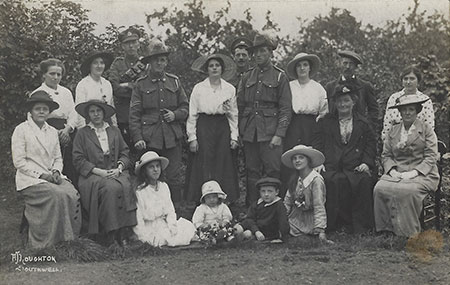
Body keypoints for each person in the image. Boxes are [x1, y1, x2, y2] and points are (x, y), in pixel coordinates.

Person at [11, 90, 81, 248]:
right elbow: (19, 162)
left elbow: (58, 158)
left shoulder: (51, 132)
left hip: (52, 176)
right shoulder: (21, 130)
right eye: (38, 108)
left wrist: (56, 171)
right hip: (30, 179)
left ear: (49, 112)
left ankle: (68, 239)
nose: (42, 112)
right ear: (31, 111)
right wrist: (41, 175)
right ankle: (44, 242)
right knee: (56, 195)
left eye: (45, 109)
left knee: (71, 193)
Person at [129, 40, 188, 203]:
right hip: (150, 138)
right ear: (149, 62)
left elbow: (185, 107)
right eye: (155, 60)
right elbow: (134, 114)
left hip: (171, 136)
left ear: (166, 62)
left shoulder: (174, 81)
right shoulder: (140, 84)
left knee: (174, 176)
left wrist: (175, 115)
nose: (159, 63)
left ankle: (175, 215)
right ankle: (151, 213)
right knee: (150, 177)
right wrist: (138, 138)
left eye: (162, 59)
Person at [313, 84, 376, 234]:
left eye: (346, 101)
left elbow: (370, 145)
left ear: (353, 102)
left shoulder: (363, 123)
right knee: (330, 181)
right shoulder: (326, 122)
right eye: (339, 101)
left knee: (363, 181)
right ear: (334, 103)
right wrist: (319, 161)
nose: (343, 105)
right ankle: (332, 225)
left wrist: (366, 163)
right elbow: (317, 143)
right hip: (331, 165)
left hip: (355, 166)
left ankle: (360, 227)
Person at [237, 34, 292, 206]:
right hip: (250, 132)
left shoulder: (279, 76)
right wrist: (240, 131)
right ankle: (253, 209)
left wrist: (279, 134)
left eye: (262, 51)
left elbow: (285, 109)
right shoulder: (247, 77)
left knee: (273, 171)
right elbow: (239, 106)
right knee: (251, 170)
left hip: (270, 131)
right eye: (255, 52)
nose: (258, 55)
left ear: (270, 53)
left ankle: (273, 209)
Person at [374, 94, 439, 237]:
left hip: (423, 173)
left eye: (411, 109)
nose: (408, 112)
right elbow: (386, 155)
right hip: (398, 171)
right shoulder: (394, 130)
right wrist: (392, 171)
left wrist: (414, 173)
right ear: (400, 112)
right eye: (404, 110)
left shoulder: (426, 129)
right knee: (380, 188)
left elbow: (431, 156)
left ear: (417, 111)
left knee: (408, 190)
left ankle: (407, 232)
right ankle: (385, 229)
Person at [72, 100, 136, 246]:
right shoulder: (82, 133)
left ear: (104, 113)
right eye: (92, 112)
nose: (95, 114)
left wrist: (119, 168)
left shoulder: (114, 130)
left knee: (127, 185)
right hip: (92, 175)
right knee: (110, 188)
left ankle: (124, 231)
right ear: (88, 114)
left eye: (98, 111)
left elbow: (125, 153)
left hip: (115, 170)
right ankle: (111, 233)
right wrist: (99, 172)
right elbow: (78, 159)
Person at [186, 54, 239, 204]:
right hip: (204, 126)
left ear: (222, 69)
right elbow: (192, 114)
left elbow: (233, 115)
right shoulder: (199, 88)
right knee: (204, 162)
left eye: (217, 65)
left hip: (222, 127)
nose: (214, 68)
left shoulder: (229, 89)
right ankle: (202, 201)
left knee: (223, 162)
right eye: (211, 65)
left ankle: (224, 202)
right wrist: (192, 138)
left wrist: (234, 137)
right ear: (207, 69)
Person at [281, 52, 328, 196]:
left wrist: (316, 127)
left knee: (308, 159)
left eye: (305, 65)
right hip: (292, 125)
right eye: (299, 66)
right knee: (292, 160)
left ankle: (310, 198)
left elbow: (324, 111)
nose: (302, 68)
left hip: (311, 126)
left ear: (309, 68)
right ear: (295, 69)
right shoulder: (289, 86)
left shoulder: (318, 88)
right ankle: (290, 200)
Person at [133, 151, 196, 247]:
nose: (155, 170)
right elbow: (138, 218)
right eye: (151, 167)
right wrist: (143, 237)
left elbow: (170, 210)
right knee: (158, 240)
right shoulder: (140, 191)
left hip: (163, 224)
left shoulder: (163, 186)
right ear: (144, 171)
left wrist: (172, 227)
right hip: (149, 228)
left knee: (188, 227)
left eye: (157, 166)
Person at [32, 58, 79, 184]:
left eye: (59, 74)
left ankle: (72, 192)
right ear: (44, 75)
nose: (56, 77)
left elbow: (73, 114)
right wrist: (55, 133)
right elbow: (34, 119)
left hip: (66, 131)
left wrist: (67, 130)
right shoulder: (37, 93)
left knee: (70, 161)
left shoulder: (66, 92)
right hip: (46, 131)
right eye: (52, 73)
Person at [282, 145, 332, 243]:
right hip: (295, 218)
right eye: (295, 158)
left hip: (311, 219)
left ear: (308, 160)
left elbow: (319, 205)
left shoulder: (316, 180)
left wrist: (320, 229)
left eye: (301, 158)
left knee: (310, 238)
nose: (297, 161)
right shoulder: (295, 179)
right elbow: (287, 202)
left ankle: (314, 234)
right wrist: (282, 221)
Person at [107, 27, 147, 146]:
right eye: (127, 43)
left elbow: (147, 88)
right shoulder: (117, 63)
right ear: (122, 46)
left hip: (143, 115)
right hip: (124, 116)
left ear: (138, 44)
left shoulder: (145, 64)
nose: (131, 46)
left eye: (134, 42)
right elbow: (114, 88)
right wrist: (135, 88)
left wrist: (128, 86)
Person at [324, 50, 378, 128]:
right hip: (335, 131)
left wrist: (367, 126)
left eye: (351, 64)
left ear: (356, 66)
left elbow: (374, 110)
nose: (347, 67)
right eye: (345, 63)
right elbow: (326, 110)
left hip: (358, 131)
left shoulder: (365, 86)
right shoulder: (330, 87)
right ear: (340, 64)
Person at [381, 66, 435, 142]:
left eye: (412, 78)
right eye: (405, 79)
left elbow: (429, 126)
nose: (408, 82)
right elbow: (387, 125)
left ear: (418, 81)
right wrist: (387, 144)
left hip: (419, 143)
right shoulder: (394, 98)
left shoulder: (425, 100)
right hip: (396, 143)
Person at [237, 177, 289, 242]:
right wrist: (256, 231)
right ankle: (231, 233)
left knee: (247, 234)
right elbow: (250, 219)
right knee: (240, 228)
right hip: (256, 229)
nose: (266, 194)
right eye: (263, 191)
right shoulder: (257, 203)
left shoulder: (279, 205)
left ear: (277, 192)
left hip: (268, 232)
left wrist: (282, 238)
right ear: (259, 192)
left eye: (270, 191)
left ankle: (235, 237)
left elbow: (283, 223)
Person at [75, 50, 116, 128]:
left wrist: (114, 127)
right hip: (90, 125)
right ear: (90, 65)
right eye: (95, 63)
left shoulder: (107, 84)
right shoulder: (83, 84)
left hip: (106, 125)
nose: (99, 66)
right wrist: (83, 131)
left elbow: (111, 107)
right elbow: (79, 112)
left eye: (102, 63)